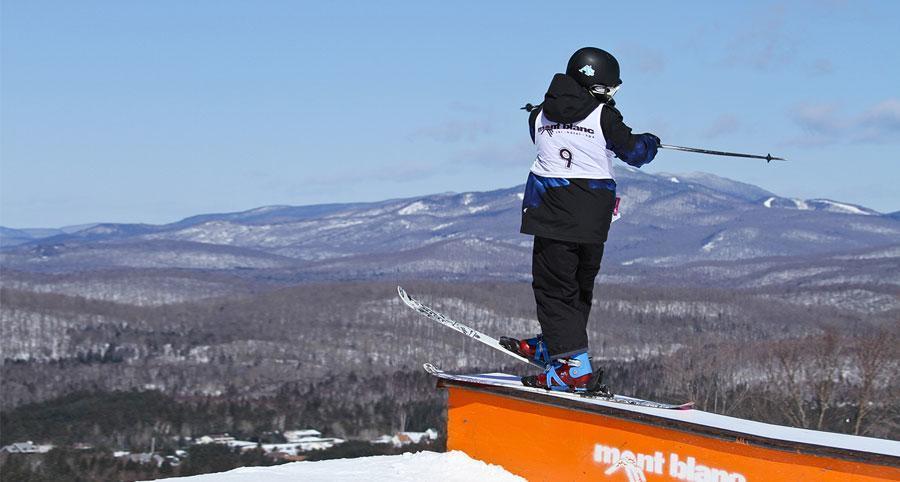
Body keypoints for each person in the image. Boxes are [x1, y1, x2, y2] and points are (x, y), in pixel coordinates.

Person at [500, 47, 660, 392]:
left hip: (552, 214)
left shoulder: (538, 115)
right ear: (596, 87)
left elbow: (543, 136)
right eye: (609, 90)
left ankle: (568, 360)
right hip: (592, 219)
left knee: (554, 290)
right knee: (576, 288)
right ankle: (563, 352)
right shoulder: (604, 116)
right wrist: (650, 142)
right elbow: (635, 153)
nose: (612, 96)